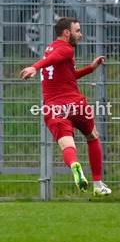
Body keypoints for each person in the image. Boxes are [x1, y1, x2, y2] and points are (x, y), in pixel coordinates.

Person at [20, 17, 110, 195]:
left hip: (53, 108)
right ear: (67, 32)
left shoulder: (49, 49)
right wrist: (34, 67)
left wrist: (90, 68)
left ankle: (75, 165)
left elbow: (66, 74)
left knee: (68, 146)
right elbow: (55, 58)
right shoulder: (66, 49)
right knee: (92, 137)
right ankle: (98, 185)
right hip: (76, 105)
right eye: (78, 31)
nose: (80, 34)